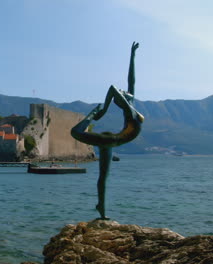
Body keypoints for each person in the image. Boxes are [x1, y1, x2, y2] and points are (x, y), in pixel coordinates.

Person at [71, 42, 144, 220]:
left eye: (123, 92)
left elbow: (130, 79)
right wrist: (103, 109)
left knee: (104, 177)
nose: (123, 90)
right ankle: (102, 210)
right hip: (114, 139)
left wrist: (132, 54)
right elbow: (113, 88)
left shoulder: (130, 103)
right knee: (103, 177)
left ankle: (101, 209)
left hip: (116, 138)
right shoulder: (128, 108)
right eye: (122, 92)